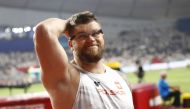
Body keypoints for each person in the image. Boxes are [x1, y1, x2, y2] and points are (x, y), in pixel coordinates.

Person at [33, 11, 134, 109]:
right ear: (71, 44)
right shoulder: (67, 78)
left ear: (102, 36)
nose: (91, 39)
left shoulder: (121, 78)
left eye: (95, 33)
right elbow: (43, 30)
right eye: (82, 36)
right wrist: (68, 23)